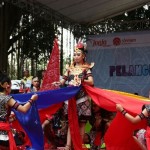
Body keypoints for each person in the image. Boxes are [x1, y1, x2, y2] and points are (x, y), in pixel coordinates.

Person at [52, 42, 94, 150]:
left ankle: (78, 146)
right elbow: (63, 80)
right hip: (70, 99)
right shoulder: (69, 68)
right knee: (71, 123)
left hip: (82, 99)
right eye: (74, 54)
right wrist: (59, 83)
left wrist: (81, 79)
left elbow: (91, 81)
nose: (76, 56)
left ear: (83, 56)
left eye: (78, 54)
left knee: (82, 123)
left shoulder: (86, 68)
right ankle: (68, 146)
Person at [0, 71, 38, 149]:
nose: (11, 87)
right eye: (10, 84)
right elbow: (23, 109)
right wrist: (32, 100)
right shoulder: (7, 98)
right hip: (3, 133)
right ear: (4, 85)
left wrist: (12, 118)